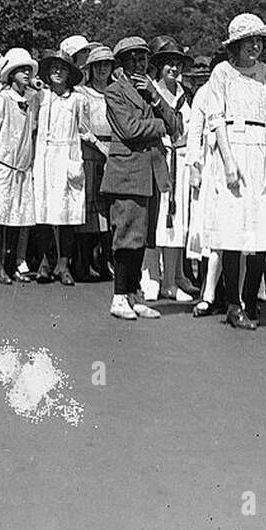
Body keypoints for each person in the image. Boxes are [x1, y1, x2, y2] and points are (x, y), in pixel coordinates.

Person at [203, 13, 266, 331]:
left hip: (264, 149)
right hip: (234, 147)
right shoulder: (222, 73)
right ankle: (233, 304)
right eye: (247, 41)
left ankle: (252, 301)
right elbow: (215, 118)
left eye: (258, 40)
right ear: (235, 44)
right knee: (233, 231)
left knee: (262, 230)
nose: (254, 46)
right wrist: (228, 161)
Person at [102, 37, 185, 321]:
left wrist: (155, 96)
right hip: (126, 174)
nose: (138, 64)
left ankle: (133, 294)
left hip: (151, 173)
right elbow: (130, 129)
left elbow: (176, 125)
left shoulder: (150, 89)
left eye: (142, 58)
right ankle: (119, 296)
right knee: (126, 236)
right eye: (132, 59)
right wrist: (160, 124)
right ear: (122, 64)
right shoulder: (114, 92)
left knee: (144, 238)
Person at [0, 48, 40, 286]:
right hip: (2, 166)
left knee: (17, 217)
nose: (26, 73)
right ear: (11, 73)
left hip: (21, 168)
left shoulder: (31, 99)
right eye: (22, 70)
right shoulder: (2, 98)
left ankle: (12, 263)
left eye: (28, 70)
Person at [147, 36, 199, 301]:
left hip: (182, 159)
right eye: (169, 63)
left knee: (178, 220)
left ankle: (173, 278)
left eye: (178, 64)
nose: (174, 69)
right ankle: (153, 277)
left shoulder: (186, 93)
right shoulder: (150, 93)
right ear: (160, 66)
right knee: (156, 219)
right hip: (159, 159)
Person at [32, 49, 88, 286]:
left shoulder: (76, 100)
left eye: (62, 68)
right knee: (43, 212)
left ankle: (64, 264)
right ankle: (45, 262)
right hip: (44, 157)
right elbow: (32, 126)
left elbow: (83, 130)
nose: (57, 72)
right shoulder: (40, 97)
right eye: (54, 67)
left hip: (67, 155)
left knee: (66, 213)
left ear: (69, 74)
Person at [71, 44, 115, 282]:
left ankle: (106, 262)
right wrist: (101, 147)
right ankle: (83, 262)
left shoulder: (116, 92)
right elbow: (82, 128)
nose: (102, 70)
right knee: (88, 208)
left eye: (106, 65)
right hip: (90, 152)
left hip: (114, 153)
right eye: (97, 65)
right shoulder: (82, 94)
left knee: (108, 210)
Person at [186, 53, 224, 316]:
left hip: (237, 167)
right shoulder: (205, 93)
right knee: (208, 229)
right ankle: (207, 291)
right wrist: (194, 167)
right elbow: (194, 134)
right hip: (210, 167)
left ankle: (233, 292)